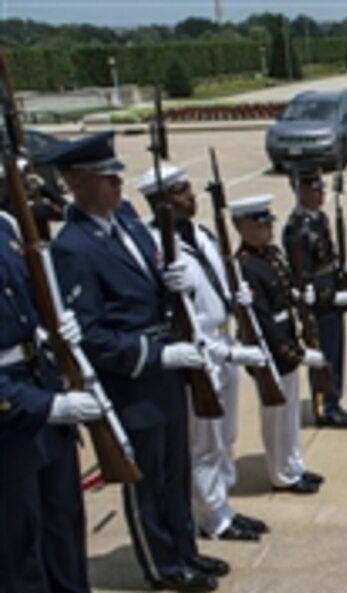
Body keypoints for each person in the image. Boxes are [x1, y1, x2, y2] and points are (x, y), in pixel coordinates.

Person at [47, 131, 227, 593]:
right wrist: (156, 354)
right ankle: (161, 564)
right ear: (78, 184)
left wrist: (172, 280)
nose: (118, 186)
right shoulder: (73, 247)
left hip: (167, 368)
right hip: (134, 376)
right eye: (107, 179)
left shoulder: (124, 222)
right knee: (146, 477)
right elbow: (89, 334)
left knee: (176, 469)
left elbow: (150, 272)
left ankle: (185, 550)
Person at [0, 210, 137, 593]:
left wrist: (49, 331)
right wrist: (45, 406)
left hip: (39, 378)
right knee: (19, 534)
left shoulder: (4, 227)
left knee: (63, 515)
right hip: (12, 405)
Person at [136, 164, 270, 542]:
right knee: (203, 441)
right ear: (159, 201)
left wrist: (235, 297)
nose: (189, 196)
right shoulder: (155, 246)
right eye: (180, 191)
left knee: (226, 434)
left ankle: (221, 503)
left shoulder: (202, 233)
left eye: (188, 188)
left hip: (225, 343)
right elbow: (175, 315)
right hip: (201, 351)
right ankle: (209, 514)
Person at [233, 194, 327, 495]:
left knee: (290, 416)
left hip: (286, 339)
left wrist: (302, 299)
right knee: (276, 418)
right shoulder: (245, 266)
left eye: (268, 223)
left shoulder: (271, 255)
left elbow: (286, 294)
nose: (268, 229)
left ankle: (294, 464)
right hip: (272, 350)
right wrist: (294, 352)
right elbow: (262, 320)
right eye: (260, 224)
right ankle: (281, 473)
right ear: (242, 226)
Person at [283, 168, 347, 430]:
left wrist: (343, 274)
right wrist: (327, 296)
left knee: (336, 353)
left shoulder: (321, 219)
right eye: (316, 190)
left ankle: (334, 400)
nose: (321, 194)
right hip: (320, 303)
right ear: (302, 192)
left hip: (332, 296)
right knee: (323, 354)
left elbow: (328, 258)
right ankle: (324, 406)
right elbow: (303, 274)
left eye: (321, 189)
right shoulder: (296, 229)